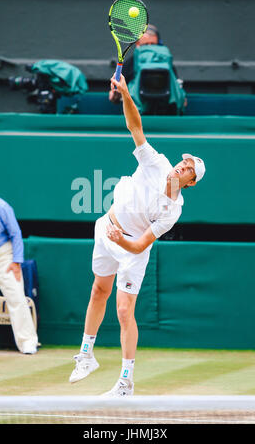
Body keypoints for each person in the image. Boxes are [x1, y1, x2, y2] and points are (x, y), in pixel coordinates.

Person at [69, 74, 206, 396]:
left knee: (124, 311)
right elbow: (135, 127)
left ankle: (126, 382)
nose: (180, 167)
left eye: (188, 170)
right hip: (107, 227)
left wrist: (122, 242)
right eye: (183, 163)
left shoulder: (172, 211)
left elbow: (141, 244)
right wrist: (127, 96)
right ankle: (86, 356)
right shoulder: (156, 163)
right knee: (97, 292)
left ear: (191, 183)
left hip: (130, 247)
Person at [0, 175, 38, 354]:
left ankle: (28, 343)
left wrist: (16, 262)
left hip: (2, 254)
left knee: (16, 297)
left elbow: (16, 234)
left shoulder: (0, 207)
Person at [109, 24, 181, 105]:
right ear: (137, 44)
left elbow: (180, 97)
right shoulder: (129, 64)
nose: (149, 48)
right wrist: (116, 94)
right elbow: (113, 96)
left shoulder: (169, 64)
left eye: (153, 44)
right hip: (136, 114)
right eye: (145, 45)